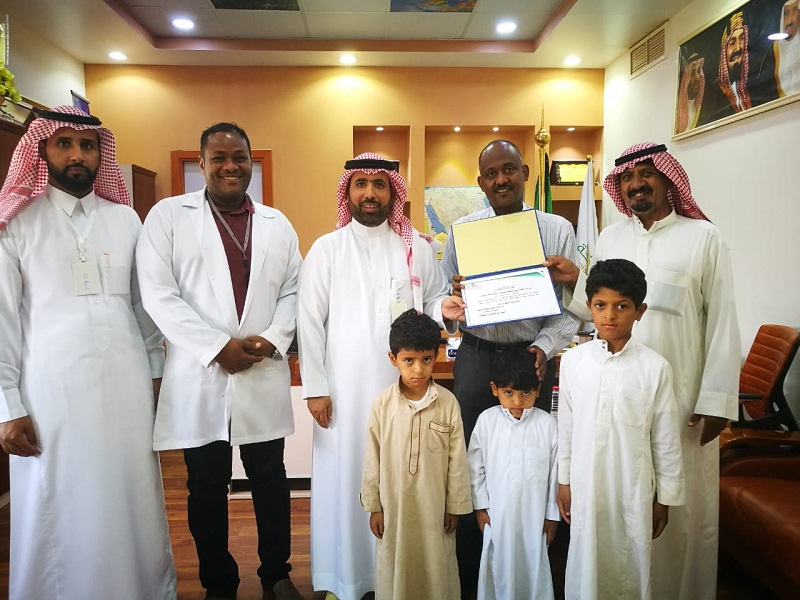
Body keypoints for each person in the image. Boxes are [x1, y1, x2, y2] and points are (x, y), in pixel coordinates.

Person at [545, 142, 741, 599]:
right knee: (616, 505)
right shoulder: (611, 239)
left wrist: (716, 400)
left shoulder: (703, 238)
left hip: (683, 400)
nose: (636, 184)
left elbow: (722, 320)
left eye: (647, 174)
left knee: (675, 509)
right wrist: (574, 279)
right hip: (614, 398)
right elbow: (595, 307)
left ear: (669, 179)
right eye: (627, 177)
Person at [0, 106, 177, 599]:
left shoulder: (125, 219)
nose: (77, 155)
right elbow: (2, 319)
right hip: (49, 388)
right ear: (42, 150)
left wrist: (157, 374)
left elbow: (143, 306)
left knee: (130, 489)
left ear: (102, 154)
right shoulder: (18, 222)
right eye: (64, 143)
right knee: (58, 493)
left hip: (126, 383)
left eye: (88, 145)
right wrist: (7, 406)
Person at [136, 122, 303, 600]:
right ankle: (219, 582)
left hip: (261, 369)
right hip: (199, 372)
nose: (231, 166)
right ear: (202, 163)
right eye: (219, 158)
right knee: (206, 485)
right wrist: (216, 347)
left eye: (239, 158)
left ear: (251, 162)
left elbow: (294, 289)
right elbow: (158, 295)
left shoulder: (277, 223)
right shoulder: (169, 217)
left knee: (270, 479)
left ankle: (276, 574)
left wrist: (273, 338)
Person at [297, 152, 465, 600]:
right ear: (348, 192)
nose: (370, 193)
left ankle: (398, 579)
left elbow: (432, 303)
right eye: (361, 184)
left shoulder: (417, 248)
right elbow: (308, 321)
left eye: (379, 184)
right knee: (346, 476)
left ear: (393, 193)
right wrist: (316, 388)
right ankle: (346, 579)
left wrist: (445, 310)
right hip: (343, 391)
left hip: (405, 390)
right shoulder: (327, 249)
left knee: (401, 477)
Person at [439, 139, 579, 597]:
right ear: (480, 182)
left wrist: (544, 347)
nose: (501, 180)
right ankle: (472, 572)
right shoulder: (463, 232)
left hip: (533, 354)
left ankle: (537, 566)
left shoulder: (557, 229)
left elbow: (571, 307)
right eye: (491, 174)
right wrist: (455, 299)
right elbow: (444, 297)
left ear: (525, 174)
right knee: (472, 455)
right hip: (478, 356)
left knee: (538, 454)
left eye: (509, 170)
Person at [557, 259, 685, 599]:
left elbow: (665, 440)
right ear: (589, 307)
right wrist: (564, 480)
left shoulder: (655, 368)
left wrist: (665, 499)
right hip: (585, 483)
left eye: (622, 306)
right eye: (601, 305)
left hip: (633, 488)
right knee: (586, 561)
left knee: (630, 566)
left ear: (639, 311)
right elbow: (566, 428)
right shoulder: (573, 362)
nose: (610, 315)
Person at [360, 309, 472, 600]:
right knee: (394, 567)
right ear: (393, 359)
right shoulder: (382, 404)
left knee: (437, 568)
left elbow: (457, 461)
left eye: (426, 359)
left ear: (436, 356)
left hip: (435, 508)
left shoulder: (448, 403)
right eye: (408, 360)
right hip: (393, 508)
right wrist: (374, 506)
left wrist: (454, 506)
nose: (418, 370)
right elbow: (372, 459)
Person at [467, 348, 559, 600]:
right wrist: (480, 508)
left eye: (525, 393)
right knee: (498, 567)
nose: (517, 402)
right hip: (497, 515)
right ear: (494, 389)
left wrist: (551, 516)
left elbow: (555, 474)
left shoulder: (547, 425)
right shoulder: (487, 422)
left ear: (538, 390)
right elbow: (475, 468)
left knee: (534, 565)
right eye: (509, 393)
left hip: (535, 516)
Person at [675, 52, 705, 133]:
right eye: (692, 73)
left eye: (699, 71)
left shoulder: (702, 109)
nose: (697, 78)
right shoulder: (676, 110)